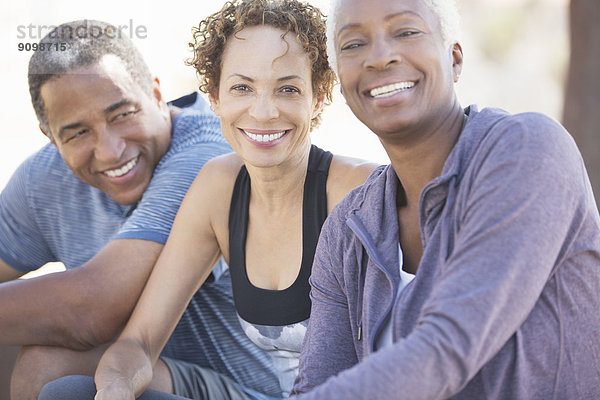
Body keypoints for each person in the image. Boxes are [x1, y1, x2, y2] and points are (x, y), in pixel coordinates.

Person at [38, 0, 378, 399]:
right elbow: (139, 343)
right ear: (214, 96)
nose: (264, 111)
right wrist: (115, 388)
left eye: (287, 88)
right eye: (241, 88)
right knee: (69, 391)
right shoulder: (219, 186)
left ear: (318, 97)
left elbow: (411, 358)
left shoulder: (359, 193)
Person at [289, 0, 600, 399]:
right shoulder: (348, 229)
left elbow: (445, 350)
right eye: (353, 44)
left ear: (454, 59)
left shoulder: (528, 151)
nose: (380, 57)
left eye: (405, 31)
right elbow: (315, 386)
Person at [0, 19, 283, 400]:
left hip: (254, 391)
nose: (111, 150)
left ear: (155, 94)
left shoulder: (210, 157)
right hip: (141, 369)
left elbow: (93, 309)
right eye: (77, 132)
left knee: (47, 369)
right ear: (50, 136)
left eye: (121, 115)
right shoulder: (42, 180)